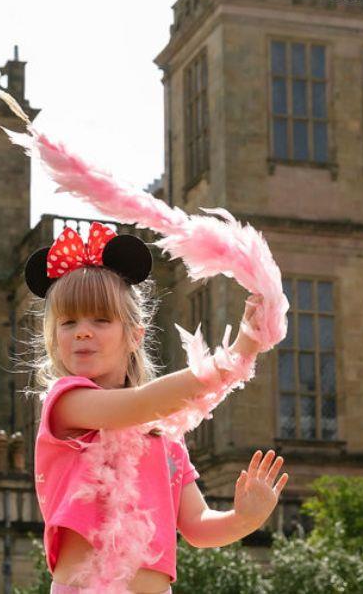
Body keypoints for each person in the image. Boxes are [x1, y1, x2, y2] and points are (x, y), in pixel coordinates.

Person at [24, 222, 289, 593]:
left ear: (135, 334)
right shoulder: (67, 403)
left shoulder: (163, 434)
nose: (82, 331)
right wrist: (239, 352)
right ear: (54, 338)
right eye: (68, 323)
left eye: (100, 319)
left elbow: (197, 525)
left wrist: (244, 519)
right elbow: (140, 403)